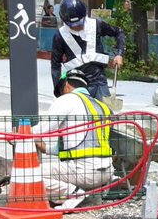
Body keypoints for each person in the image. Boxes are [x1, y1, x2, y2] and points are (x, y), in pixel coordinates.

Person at [34, 70, 115, 208]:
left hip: (84, 172)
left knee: (29, 174)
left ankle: (74, 193)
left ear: (66, 84)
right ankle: (86, 194)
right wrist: (47, 149)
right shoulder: (101, 106)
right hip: (106, 173)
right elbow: (84, 144)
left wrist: (18, 135)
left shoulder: (67, 99)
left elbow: (41, 129)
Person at [50, 0, 125, 101]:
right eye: (73, 25)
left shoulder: (96, 25)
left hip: (99, 80)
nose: (77, 27)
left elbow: (119, 32)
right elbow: (55, 65)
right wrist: (58, 92)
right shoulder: (60, 35)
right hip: (75, 83)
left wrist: (119, 54)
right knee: (79, 115)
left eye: (79, 23)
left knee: (105, 114)